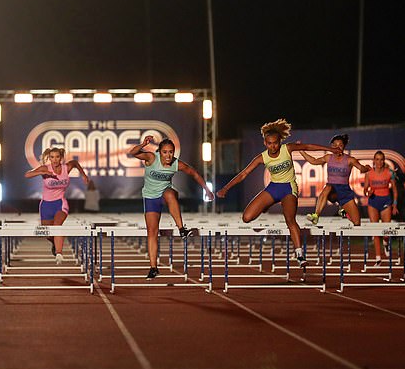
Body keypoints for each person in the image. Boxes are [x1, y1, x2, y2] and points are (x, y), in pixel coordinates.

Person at [216, 118, 340, 267]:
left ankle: (299, 254)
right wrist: (225, 188)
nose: (273, 146)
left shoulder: (287, 149)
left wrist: (331, 149)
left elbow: (307, 146)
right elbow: (243, 174)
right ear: (265, 143)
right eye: (269, 143)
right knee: (247, 217)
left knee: (290, 220)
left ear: (279, 141)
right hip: (273, 188)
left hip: (288, 188)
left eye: (275, 142)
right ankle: (267, 205)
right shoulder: (262, 157)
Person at [129, 136, 215, 279]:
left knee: (170, 193)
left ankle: (181, 229)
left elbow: (193, 172)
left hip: (165, 194)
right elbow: (133, 152)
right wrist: (143, 144)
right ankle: (153, 268)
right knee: (152, 232)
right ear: (159, 152)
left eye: (171, 152)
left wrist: (206, 189)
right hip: (150, 198)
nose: (168, 156)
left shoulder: (176, 164)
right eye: (165, 152)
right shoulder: (151, 158)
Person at [24, 147, 89, 264]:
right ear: (49, 158)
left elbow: (74, 163)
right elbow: (27, 174)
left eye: (57, 157)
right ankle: (55, 242)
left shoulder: (66, 168)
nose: (55, 160)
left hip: (60, 203)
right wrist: (41, 172)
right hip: (46, 205)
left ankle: (59, 254)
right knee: (48, 233)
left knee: (57, 225)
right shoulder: (45, 168)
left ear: (61, 158)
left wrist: (83, 174)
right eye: (52, 157)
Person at [301, 134, 371, 226]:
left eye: (340, 145)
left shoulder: (350, 160)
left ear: (344, 147)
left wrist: (367, 168)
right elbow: (313, 161)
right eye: (335, 145)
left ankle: (345, 212)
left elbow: (361, 168)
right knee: (328, 187)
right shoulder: (328, 157)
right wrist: (301, 151)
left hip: (344, 191)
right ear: (331, 146)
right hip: (332, 191)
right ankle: (316, 215)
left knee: (357, 222)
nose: (338, 147)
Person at [363, 151, 399, 266]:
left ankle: (386, 242)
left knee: (386, 230)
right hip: (373, 202)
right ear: (374, 161)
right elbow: (365, 189)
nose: (379, 162)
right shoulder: (369, 173)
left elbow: (394, 190)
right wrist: (369, 192)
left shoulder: (389, 173)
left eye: (381, 159)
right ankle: (378, 258)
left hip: (386, 202)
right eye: (377, 159)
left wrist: (395, 204)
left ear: (384, 161)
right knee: (375, 230)